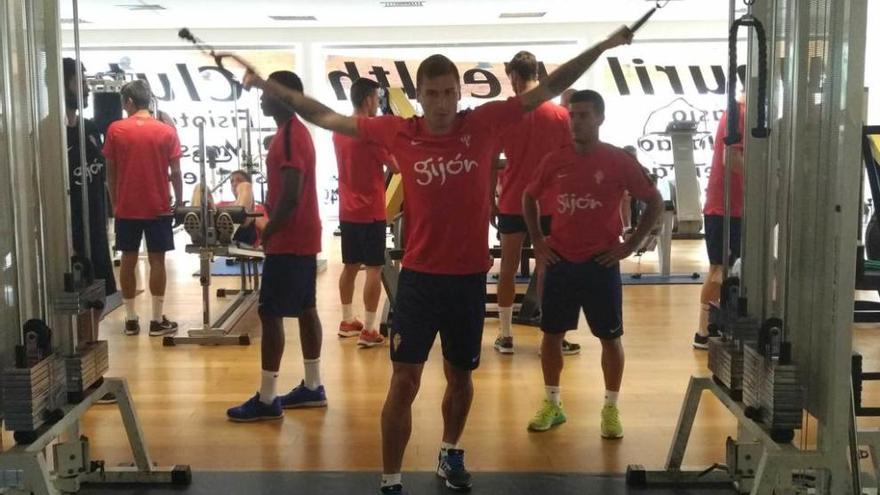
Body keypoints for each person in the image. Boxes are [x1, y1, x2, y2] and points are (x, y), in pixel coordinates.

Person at [223, 25, 633, 494]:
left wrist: (602, 47)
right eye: (433, 94)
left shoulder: (483, 124)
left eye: (449, 93)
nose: (441, 103)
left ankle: (449, 452)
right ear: (419, 95)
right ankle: (391, 479)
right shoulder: (399, 131)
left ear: (460, 94)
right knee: (404, 382)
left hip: (466, 280)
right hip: (419, 279)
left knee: (460, 379)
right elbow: (325, 115)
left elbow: (550, 88)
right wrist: (267, 84)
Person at [522, 90, 662, 438]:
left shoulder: (617, 161)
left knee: (610, 339)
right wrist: (539, 240)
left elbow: (654, 200)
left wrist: (630, 245)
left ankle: (611, 408)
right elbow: (528, 196)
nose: (577, 122)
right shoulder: (555, 160)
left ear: (599, 118)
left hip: (600, 263)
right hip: (561, 262)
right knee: (551, 336)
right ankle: (553, 404)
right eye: (573, 115)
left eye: (584, 115)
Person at [226, 71, 327, 422]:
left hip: (290, 240)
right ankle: (313, 386)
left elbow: (292, 195)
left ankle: (268, 399)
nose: (262, 98)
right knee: (305, 308)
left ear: (285, 97)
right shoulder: (292, 133)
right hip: (301, 238)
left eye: (269, 93)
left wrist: (269, 232)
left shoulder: (289, 138)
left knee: (270, 314)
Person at [492, 51, 577, 356]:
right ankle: (551, 338)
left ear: (514, 76)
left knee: (508, 269)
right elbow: (572, 161)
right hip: (550, 206)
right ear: (538, 75)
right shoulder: (561, 116)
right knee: (547, 272)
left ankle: (505, 336)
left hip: (514, 202)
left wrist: (491, 200)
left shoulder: (507, 114)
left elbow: (491, 161)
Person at [103, 80, 182, 337]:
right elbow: (177, 172)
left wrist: (115, 204)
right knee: (157, 260)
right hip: (158, 206)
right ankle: (157, 320)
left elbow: (110, 174)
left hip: (127, 207)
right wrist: (179, 203)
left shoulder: (116, 129)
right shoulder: (166, 131)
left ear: (128, 102)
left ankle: (130, 318)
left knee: (128, 259)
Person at [333, 78, 397, 347]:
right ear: (369, 99)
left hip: (347, 210)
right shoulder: (368, 131)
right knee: (374, 268)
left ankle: (348, 320)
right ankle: (369, 329)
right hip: (370, 210)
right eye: (376, 99)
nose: (377, 104)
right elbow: (395, 165)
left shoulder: (338, 129)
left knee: (350, 266)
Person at [62, 58, 118, 337]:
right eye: (80, 82)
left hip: (96, 227)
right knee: (77, 297)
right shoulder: (52, 136)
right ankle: (78, 352)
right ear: (63, 85)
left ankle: (90, 355)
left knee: (98, 297)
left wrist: (112, 212)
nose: (86, 89)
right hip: (68, 234)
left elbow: (104, 176)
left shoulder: (91, 130)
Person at [694, 97, 745, 349]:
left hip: (738, 207)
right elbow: (730, 158)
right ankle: (704, 332)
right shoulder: (739, 113)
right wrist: (768, 179)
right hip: (725, 208)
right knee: (719, 270)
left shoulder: (746, 112)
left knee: (729, 270)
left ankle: (716, 327)